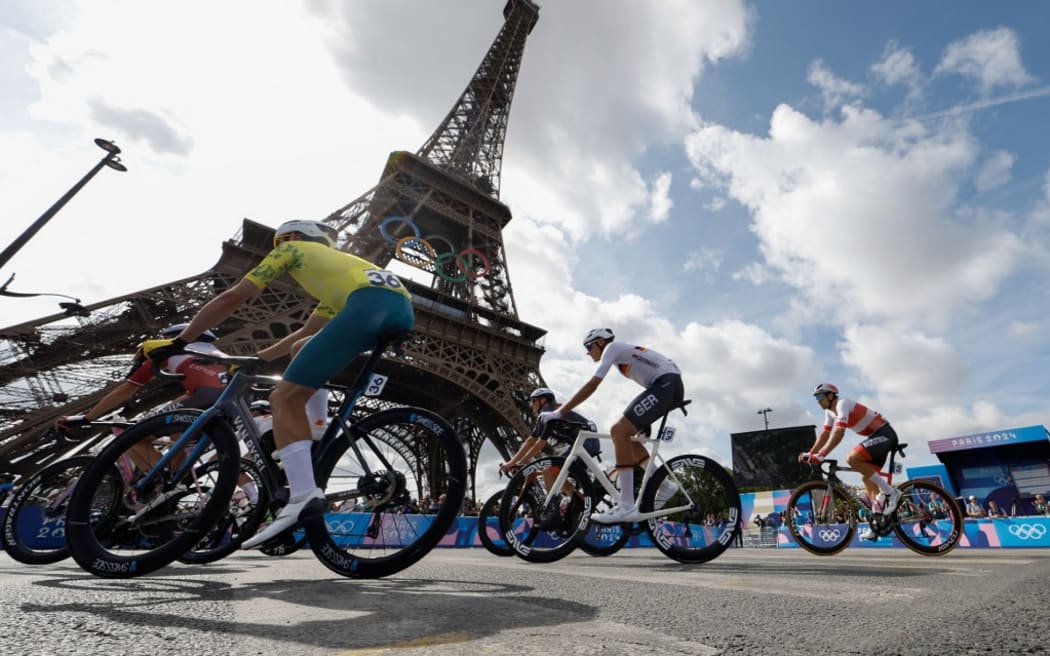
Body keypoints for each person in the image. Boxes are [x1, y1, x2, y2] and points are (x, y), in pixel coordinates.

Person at [141, 219, 414, 549]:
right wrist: (257, 359)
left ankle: (302, 496)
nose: (277, 248)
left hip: (367, 304)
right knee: (304, 349)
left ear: (294, 237)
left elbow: (233, 296)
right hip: (395, 305)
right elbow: (302, 334)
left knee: (283, 397)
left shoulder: (292, 249)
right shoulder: (339, 276)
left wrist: (181, 341)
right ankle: (315, 427)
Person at [537, 328, 683, 524]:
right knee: (627, 437)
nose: (588, 353)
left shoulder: (611, 348)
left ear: (599, 342)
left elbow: (592, 385)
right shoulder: (620, 354)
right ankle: (662, 483)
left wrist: (558, 412)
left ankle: (626, 506)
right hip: (666, 385)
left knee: (618, 431)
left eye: (588, 347)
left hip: (665, 384)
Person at [56, 323, 228, 473]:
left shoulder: (168, 350)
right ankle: (178, 482)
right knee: (178, 437)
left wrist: (87, 418)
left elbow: (125, 390)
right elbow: (198, 392)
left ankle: (162, 478)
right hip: (234, 400)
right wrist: (156, 416)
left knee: (133, 436)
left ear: (174, 338)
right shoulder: (217, 355)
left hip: (205, 397)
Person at [799, 383, 902, 541]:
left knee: (852, 458)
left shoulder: (843, 404)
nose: (818, 401)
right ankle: (877, 525)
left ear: (830, 396)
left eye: (820, 397)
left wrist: (821, 455)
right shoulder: (829, 412)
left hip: (884, 433)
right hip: (875, 437)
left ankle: (891, 492)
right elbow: (825, 434)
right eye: (816, 398)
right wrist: (811, 453)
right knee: (867, 479)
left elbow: (839, 433)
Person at [500, 387, 599, 528]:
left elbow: (540, 443)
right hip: (579, 444)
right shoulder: (544, 416)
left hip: (586, 443)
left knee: (549, 470)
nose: (530, 404)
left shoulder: (548, 413)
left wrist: (521, 463)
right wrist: (512, 462)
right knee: (555, 474)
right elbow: (530, 441)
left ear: (543, 400)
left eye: (533, 401)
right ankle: (582, 503)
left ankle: (554, 512)